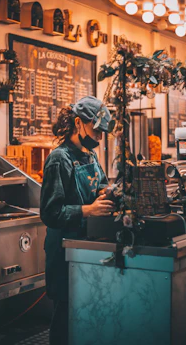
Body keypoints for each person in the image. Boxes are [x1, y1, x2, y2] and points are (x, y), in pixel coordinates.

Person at [40, 96, 115, 345]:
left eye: (102, 133)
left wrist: (108, 192)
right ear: (78, 123)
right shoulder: (59, 159)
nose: (99, 138)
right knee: (65, 315)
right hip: (65, 250)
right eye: (96, 131)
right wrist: (88, 210)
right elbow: (50, 213)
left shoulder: (90, 156)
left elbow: (100, 186)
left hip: (87, 248)